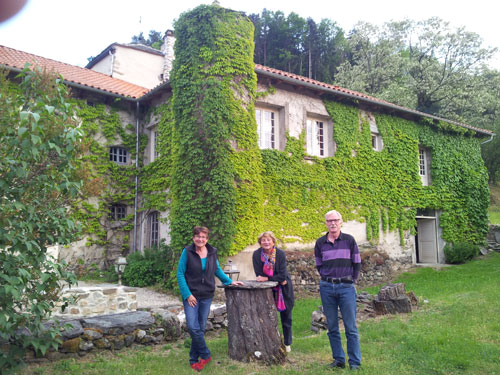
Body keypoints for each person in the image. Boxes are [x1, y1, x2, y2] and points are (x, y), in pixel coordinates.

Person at [177, 226, 243, 372]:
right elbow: (180, 274)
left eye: (203, 237)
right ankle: (206, 355)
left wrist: (229, 281)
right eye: (197, 236)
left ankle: (193, 359)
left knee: (200, 328)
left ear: (207, 239)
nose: (200, 239)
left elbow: (217, 269)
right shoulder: (187, 252)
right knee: (193, 327)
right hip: (191, 296)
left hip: (207, 295)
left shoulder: (212, 252)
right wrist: (187, 294)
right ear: (193, 238)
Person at [314, 210, 362, 370]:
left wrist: (351, 281)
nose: (332, 223)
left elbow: (357, 262)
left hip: (346, 287)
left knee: (351, 327)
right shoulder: (320, 242)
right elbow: (319, 264)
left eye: (335, 220)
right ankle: (339, 360)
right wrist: (327, 278)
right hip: (327, 287)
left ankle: (354, 362)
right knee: (332, 327)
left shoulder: (349, 240)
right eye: (329, 221)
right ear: (326, 223)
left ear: (341, 221)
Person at [252, 231, 295, 353]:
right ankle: (268, 342)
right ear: (260, 242)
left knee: (286, 318)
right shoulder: (256, 254)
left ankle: (287, 343)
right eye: (263, 240)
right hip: (266, 290)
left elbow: (282, 275)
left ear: (273, 241)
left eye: (268, 240)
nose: (266, 242)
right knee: (266, 317)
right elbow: (258, 274)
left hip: (284, 291)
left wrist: (268, 278)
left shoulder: (280, 254)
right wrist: (275, 279)